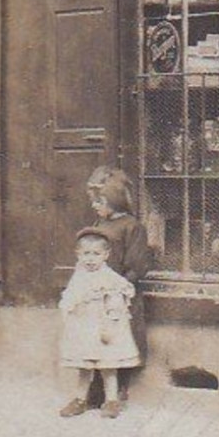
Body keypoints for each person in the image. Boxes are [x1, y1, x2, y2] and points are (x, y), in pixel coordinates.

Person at [83, 168, 152, 405]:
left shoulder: (132, 226)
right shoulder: (99, 223)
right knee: (98, 337)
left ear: (114, 200)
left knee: (121, 338)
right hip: (98, 294)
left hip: (121, 295)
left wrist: (117, 288)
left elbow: (137, 266)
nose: (95, 206)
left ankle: (120, 387)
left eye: (99, 201)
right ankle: (96, 388)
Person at [57, 228, 140, 419]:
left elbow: (115, 303)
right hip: (84, 326)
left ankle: (111, 400)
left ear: (106, 255)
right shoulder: (79, 275)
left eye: (96, 254)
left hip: (103, 326)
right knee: (84, 366)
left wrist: (110, 325)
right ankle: (80, 399)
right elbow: (71, 297)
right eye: (86, 254)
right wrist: (68, 313)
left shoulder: (109, 278)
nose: (91, 259)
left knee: (108, 366)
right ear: (78, 254)